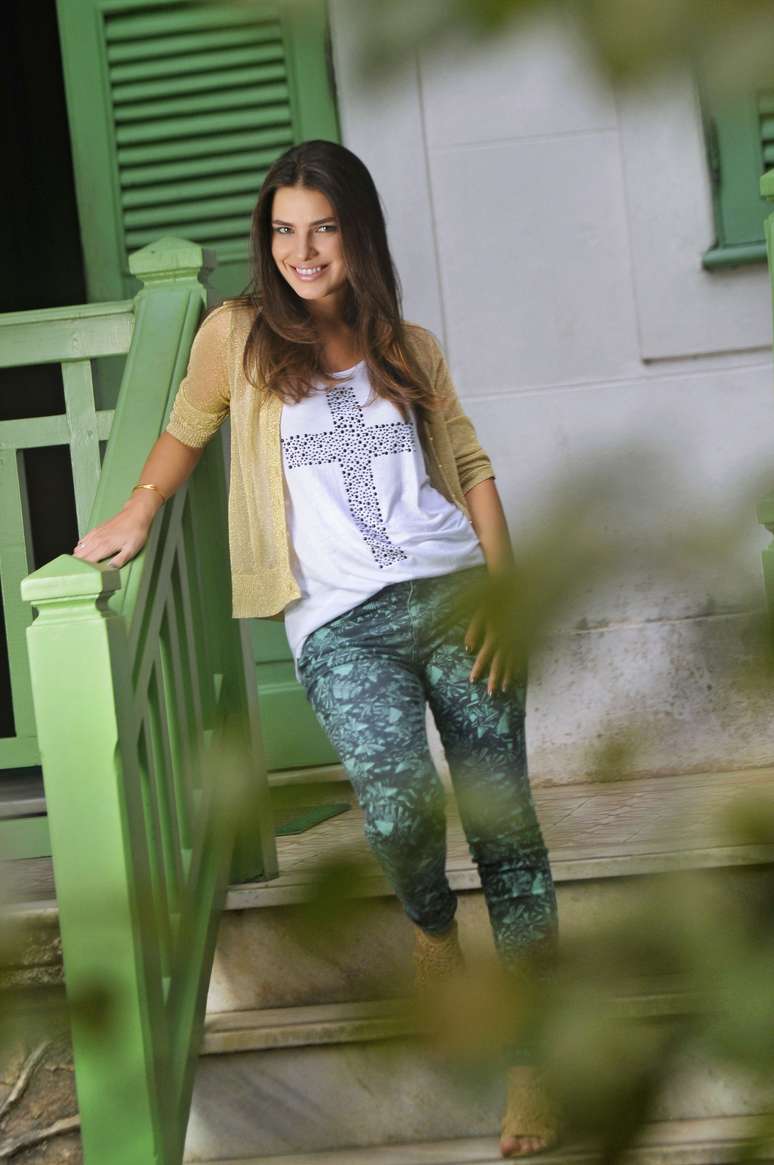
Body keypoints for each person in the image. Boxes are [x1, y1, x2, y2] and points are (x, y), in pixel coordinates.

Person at [72, 139, 560, 1159]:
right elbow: (185, 427)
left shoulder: (408, 345)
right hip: (339, 623)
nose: (303, 250)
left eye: (324, 228)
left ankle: (534, 1069)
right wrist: (139, 508)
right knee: (396, 799)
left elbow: (470, 465)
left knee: (508, 834)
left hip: (457, 594)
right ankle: (432, 926)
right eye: (285, 230)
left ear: (358, 234)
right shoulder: (239, 337)